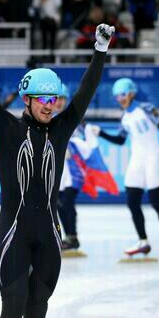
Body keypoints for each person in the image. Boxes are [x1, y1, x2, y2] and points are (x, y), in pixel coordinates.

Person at [0, 22, 114, 318]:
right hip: (13, 234)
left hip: (48, 237)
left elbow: (84, 95)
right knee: (12, 312)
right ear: (26, 99)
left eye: (54, 98)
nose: (50, 104)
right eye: (42, 98)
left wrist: (99, 52)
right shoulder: (5, 127)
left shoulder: (60, 130)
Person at [89, 78, 159, 256]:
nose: (120, 98)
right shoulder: (124, 117)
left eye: (123, 94)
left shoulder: (147, 108)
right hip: (137, 159)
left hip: (153, 157)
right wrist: (101, 132)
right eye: (117, 96)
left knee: (156, 201)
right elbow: (120, 140)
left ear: (132, 93)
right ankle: (143, 241)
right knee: (132, 201)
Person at [55, 84, 97, 252]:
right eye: (56, 98)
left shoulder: (75, 119)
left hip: (74, 170)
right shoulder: (47, 118)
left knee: (67, 201)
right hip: (59, 171)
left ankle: (73, 236)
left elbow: (86, 145)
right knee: (58, 204)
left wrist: (71, 150)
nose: (59, 102)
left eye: (62, 99)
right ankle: (68, 237)